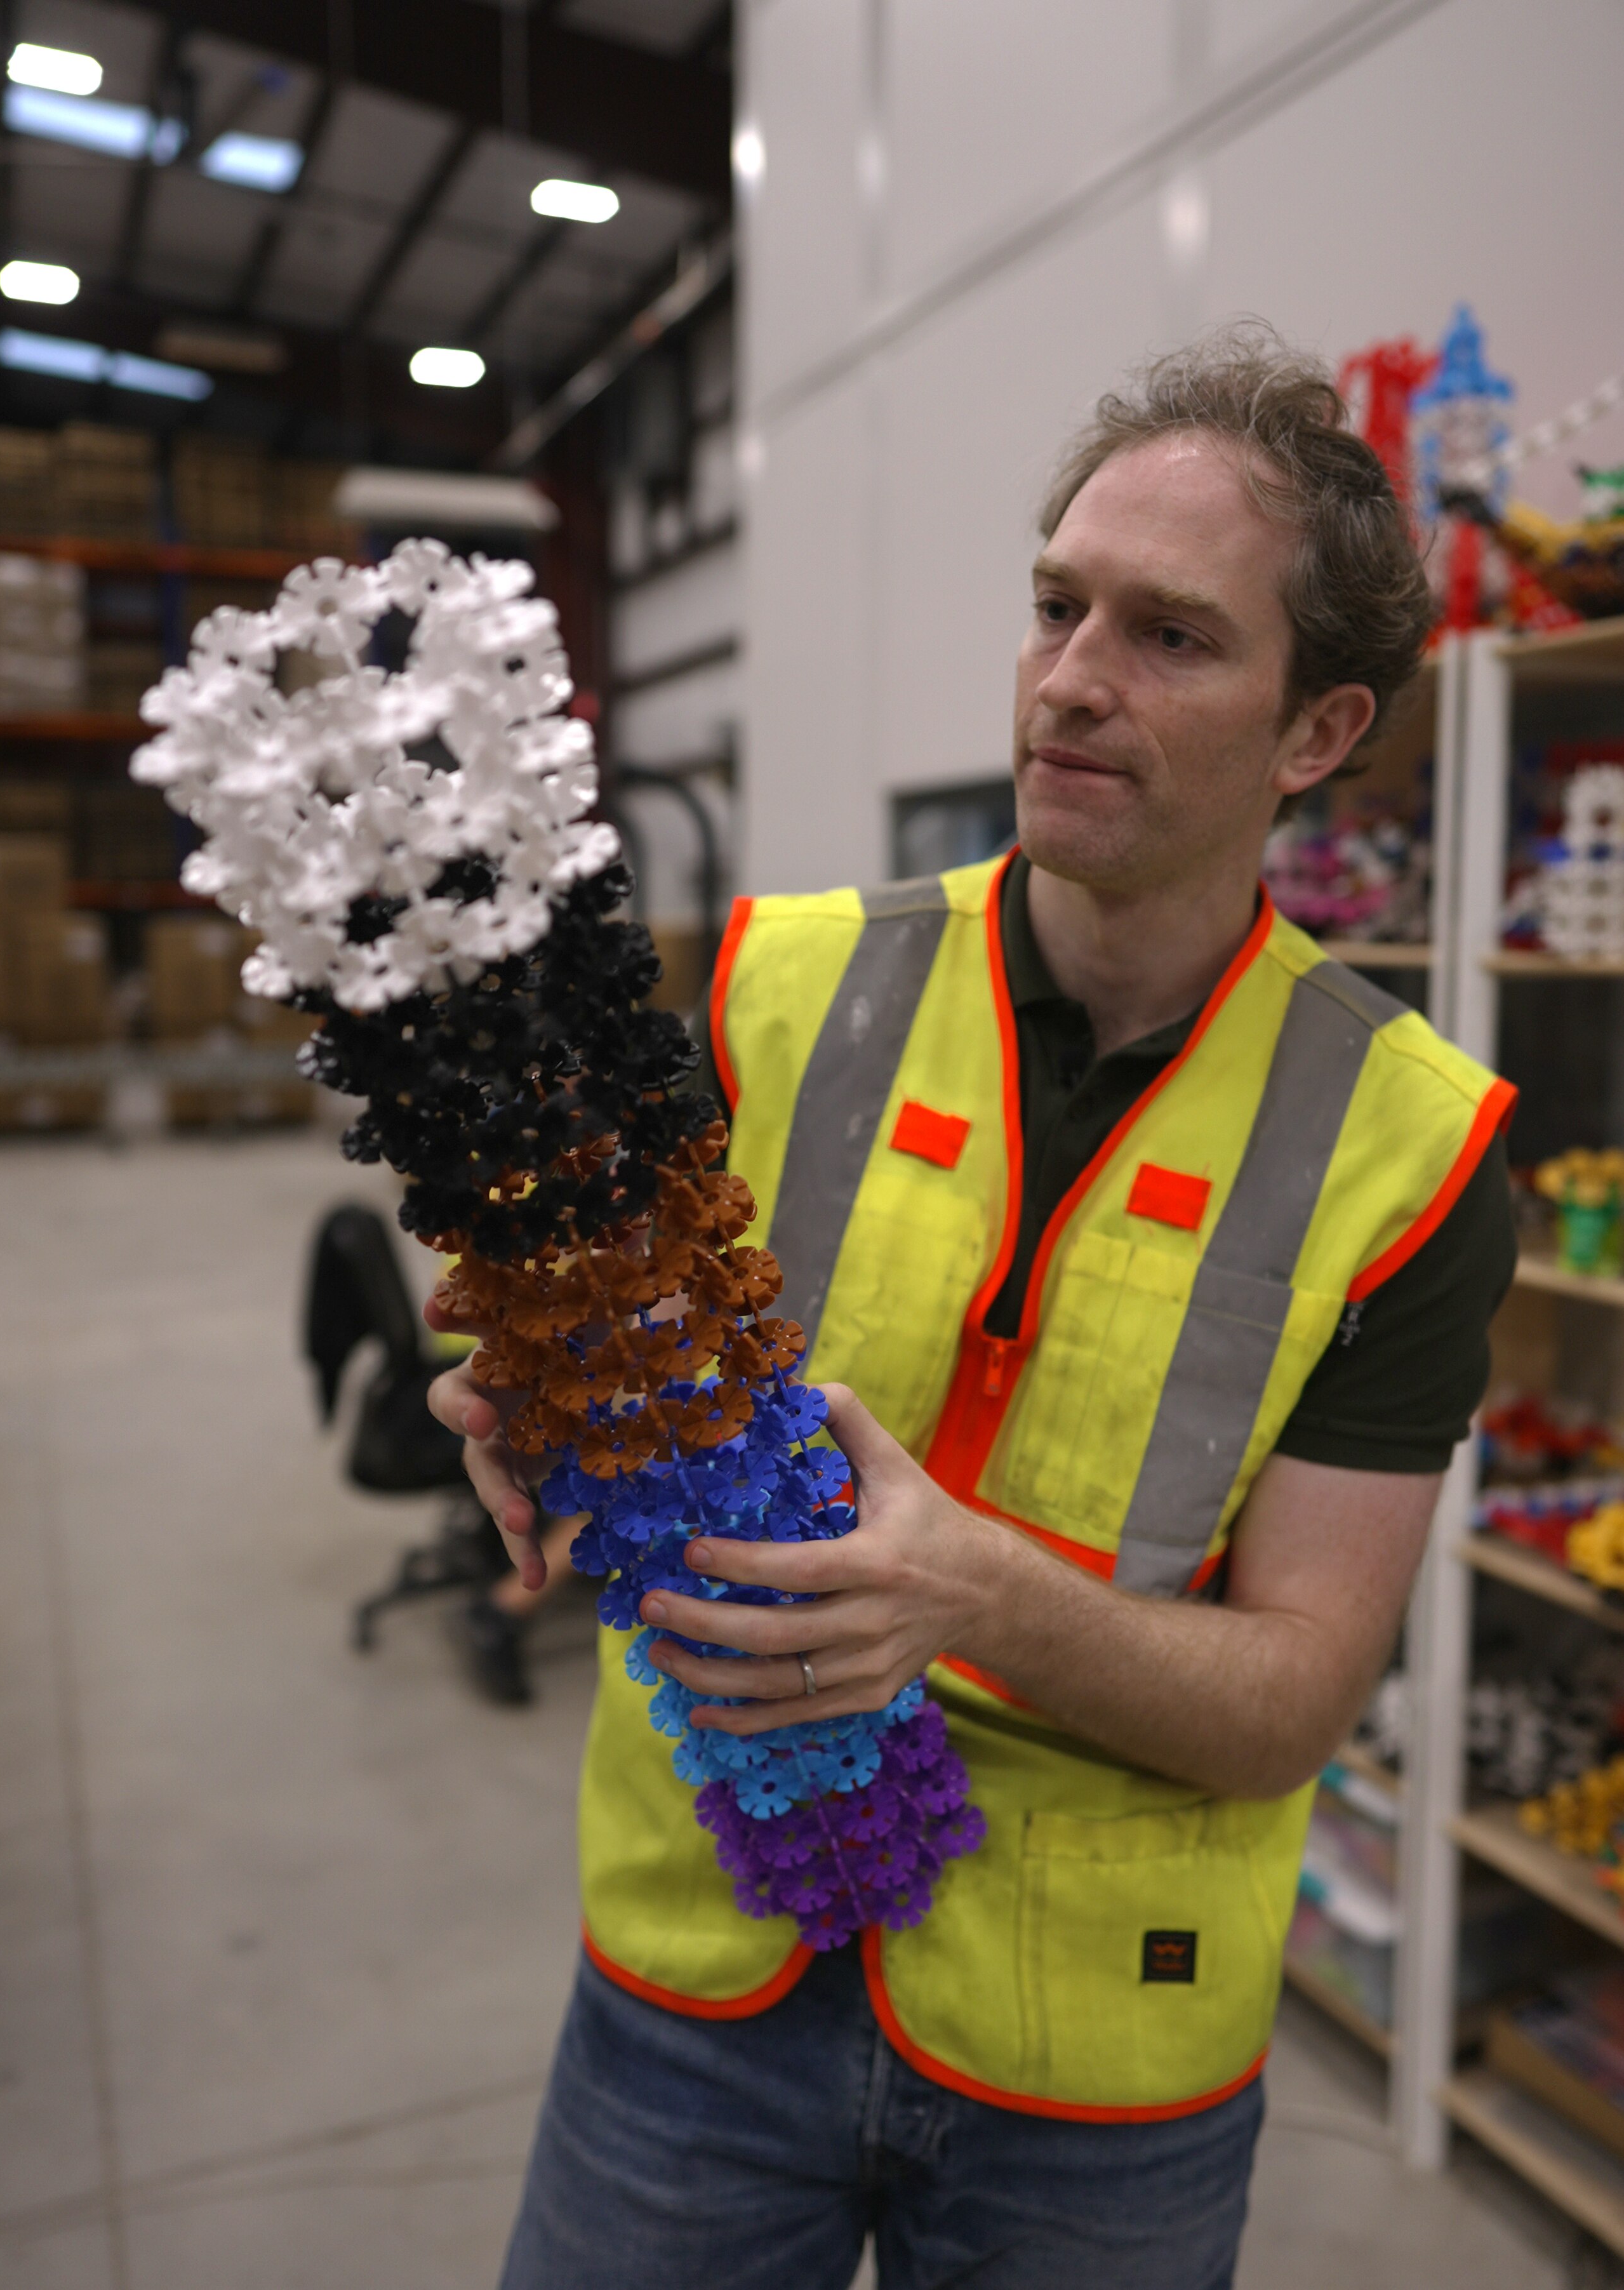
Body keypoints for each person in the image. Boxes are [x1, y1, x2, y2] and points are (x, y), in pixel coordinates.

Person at [428, 326, 1517, 2289]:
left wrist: (974, 1598)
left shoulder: (1408, 1149)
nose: (1070, 681)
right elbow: (632, 1365)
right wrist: (539, 1403)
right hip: (699, 1974)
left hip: (1092, 2055)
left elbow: (1288, 1703)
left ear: (1316, 734)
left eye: (1171, 637)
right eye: (1053, 606)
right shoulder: (783, 983)